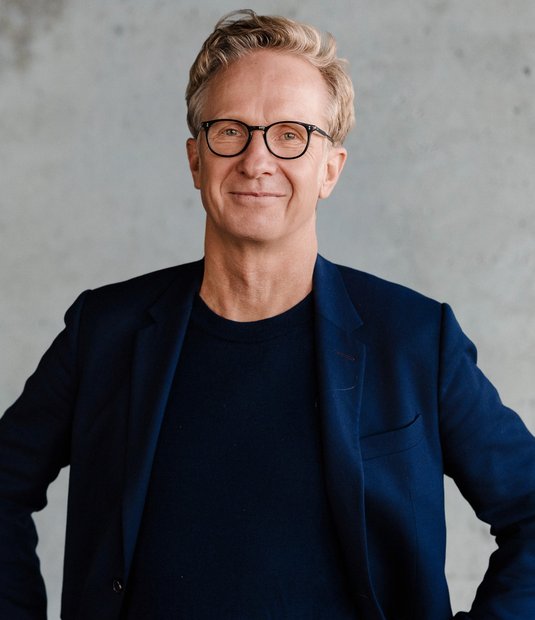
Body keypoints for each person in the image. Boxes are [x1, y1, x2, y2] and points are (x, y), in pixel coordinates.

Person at [1, 8, 534, 620]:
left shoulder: (414, 339)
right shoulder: (104, 332)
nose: (257, 160)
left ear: (330, 169)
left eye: (290, 134)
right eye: (231, 130)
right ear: (196, 158)